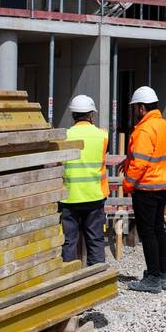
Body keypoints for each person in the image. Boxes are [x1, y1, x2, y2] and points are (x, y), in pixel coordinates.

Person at [122, 85, 166, 293]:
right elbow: (152, 156)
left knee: (148, 233)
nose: (135, 111)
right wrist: (127, 160)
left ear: (142, 108)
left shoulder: (145, 129)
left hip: (145, 188)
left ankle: (152, 277)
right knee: (159, 229)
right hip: (161, 187)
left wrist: (128, 184)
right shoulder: (165, 126)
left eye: (136, 108)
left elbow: (141, 163)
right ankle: (163, 275)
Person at [59, 94, 109, 267]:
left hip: (69, 198)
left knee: (68, 241)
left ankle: (69, 279)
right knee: (95, 240)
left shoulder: (64, 136)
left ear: (73, 115)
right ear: (91, 115)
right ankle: (97, 278)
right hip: (94, 196)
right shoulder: (102, 136)